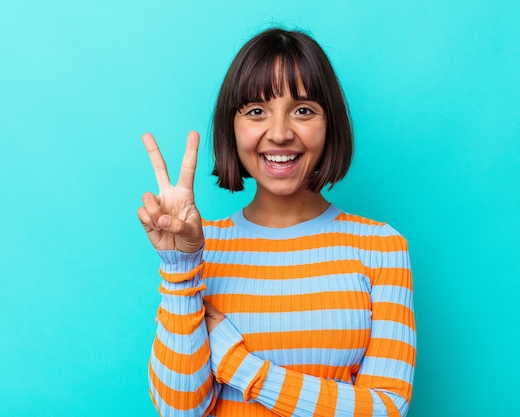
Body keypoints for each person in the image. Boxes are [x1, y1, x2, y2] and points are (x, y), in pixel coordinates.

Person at [138, 28, 416, 417]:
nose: (281, 133)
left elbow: (385, 409)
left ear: (329, 122)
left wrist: (238, 364)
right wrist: (180, 266)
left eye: (303, 110)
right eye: (256, 111)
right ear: (231, 127)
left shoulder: (381, 247)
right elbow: (180, 410)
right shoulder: (203, 250)